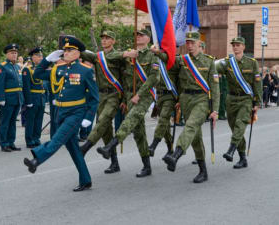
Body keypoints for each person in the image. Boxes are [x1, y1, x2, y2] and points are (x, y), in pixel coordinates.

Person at [23, 36, 99, 191]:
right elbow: (37, 74)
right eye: (65, 50)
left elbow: (94, 98)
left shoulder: (85, 71)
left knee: (57, 139)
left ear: (78, 53)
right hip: (61, 112)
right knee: (74, 150)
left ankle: (36, 160)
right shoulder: (58, 69)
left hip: (76, 113)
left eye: (70, 50)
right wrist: (47, 60)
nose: (66, 52)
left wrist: (88, 118)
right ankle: (86, 180)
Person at [153, 31, 220, 183]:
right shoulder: (182, 60)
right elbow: (168, 60)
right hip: (186, 100)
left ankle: (175, 155)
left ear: (199, 44)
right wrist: (158, 52)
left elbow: (215, 89)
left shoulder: (209, 61)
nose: (189, 45)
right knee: (195, 137)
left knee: (190, 126)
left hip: (202, 100)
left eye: (192, 42)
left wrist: (215, 110)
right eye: (187, 42)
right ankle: (203, 171)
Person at [96, 29, 159, 178]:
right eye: (136, 35)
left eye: (141, 35)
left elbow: (154, 78)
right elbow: (123, 77)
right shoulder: (129, 55)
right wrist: (125, 99)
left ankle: (111, 145)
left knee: (130, 120)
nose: (138, 37)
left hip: (144, 95)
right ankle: (147, 166)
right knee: (139, 132)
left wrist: (139, 94)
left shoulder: (152, 55)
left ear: (148, 38)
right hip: (130, 95)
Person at [79, 31, 126, 174]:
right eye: (103, 38)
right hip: (101, 95)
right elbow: (80, 52)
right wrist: (69, 43)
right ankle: (114, 162)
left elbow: (125, 78)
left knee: (103, 120)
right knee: (106, 129)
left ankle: (86, 146)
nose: (104, 41)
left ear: (113, 41)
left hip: (114, 95)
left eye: (107, 38)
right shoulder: (97, 57)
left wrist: (124, 99)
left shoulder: (119, 57)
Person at [217, 37, 262, 169]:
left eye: (238, 45)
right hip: (231, 99)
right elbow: (213, 69)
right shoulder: (227, 62)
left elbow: (257, 84)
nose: (235, 47)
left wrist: (257, 102)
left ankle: (231, 150)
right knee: (235, 129)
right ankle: (243, 158)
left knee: (240, 124)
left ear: (243, 47)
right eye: (234, 45)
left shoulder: (252, 63)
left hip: (246, 99)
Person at [0, 44, 23, 152]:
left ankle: (11, 142)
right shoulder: (2, 66)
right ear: (7, 54)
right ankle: (4, 143)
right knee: (5, 122)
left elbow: (20, 83)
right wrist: (1, 98)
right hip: (7, 98)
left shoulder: (16, 67)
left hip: (17, 98)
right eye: (12, 53)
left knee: (12, 122)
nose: (14, 54)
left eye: (16, 53)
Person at [22, 47, 46, 148]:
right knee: (30, 120)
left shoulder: (41, 69)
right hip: (33, 97)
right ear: (33, 57)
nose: (41, 58)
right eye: (38, 56)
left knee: (39, 119)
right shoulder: (27, 70)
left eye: (41, 56)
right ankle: (29, 139)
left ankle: (36, 138)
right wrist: (28, 101)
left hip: (41, 97)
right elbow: (26, 87)